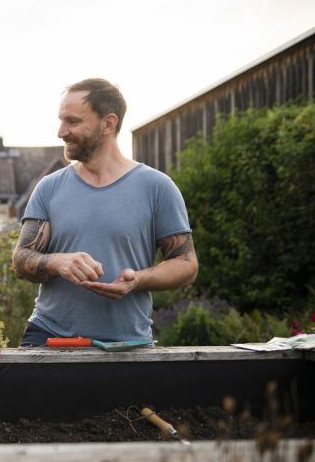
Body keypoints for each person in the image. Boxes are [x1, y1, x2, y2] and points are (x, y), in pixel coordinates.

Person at [12, 78, 199, 346]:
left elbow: (186, 266)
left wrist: (137, 280)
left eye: (73, 121)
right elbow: (21, 260)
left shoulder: (157, 187)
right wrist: (57, 262)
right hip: (49, 338)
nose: (61, 131)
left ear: (108, 123)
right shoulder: (49, 187)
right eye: (61, 120)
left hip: (127, 345)